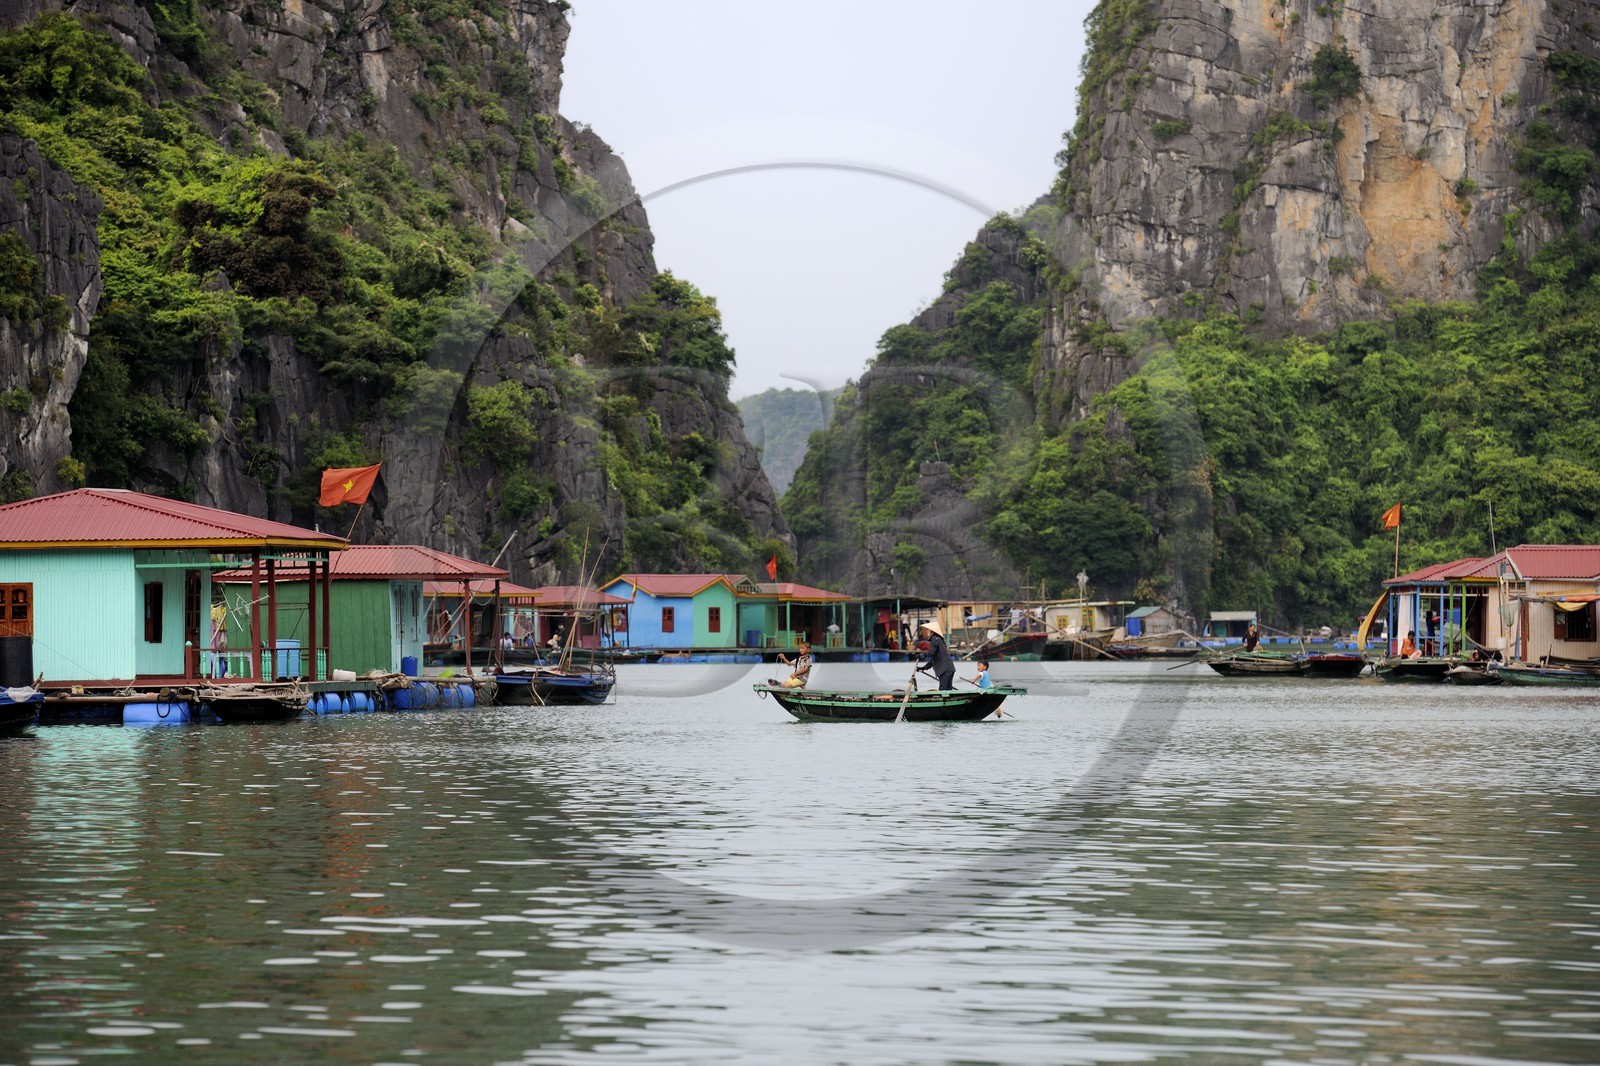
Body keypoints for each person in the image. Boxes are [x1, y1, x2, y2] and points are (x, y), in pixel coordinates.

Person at [918, 619, 955, 691]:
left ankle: (943, 701)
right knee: (948, 689)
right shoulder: (939, 640)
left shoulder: (934, 639)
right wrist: (924, 668)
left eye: (927, 630)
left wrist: (923, 655)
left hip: (944, 669)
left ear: (931, 631)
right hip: (949, 668)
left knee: (942, 689)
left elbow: (931, 653)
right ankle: (948, 700)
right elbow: (934, 659)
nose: (926, 632)